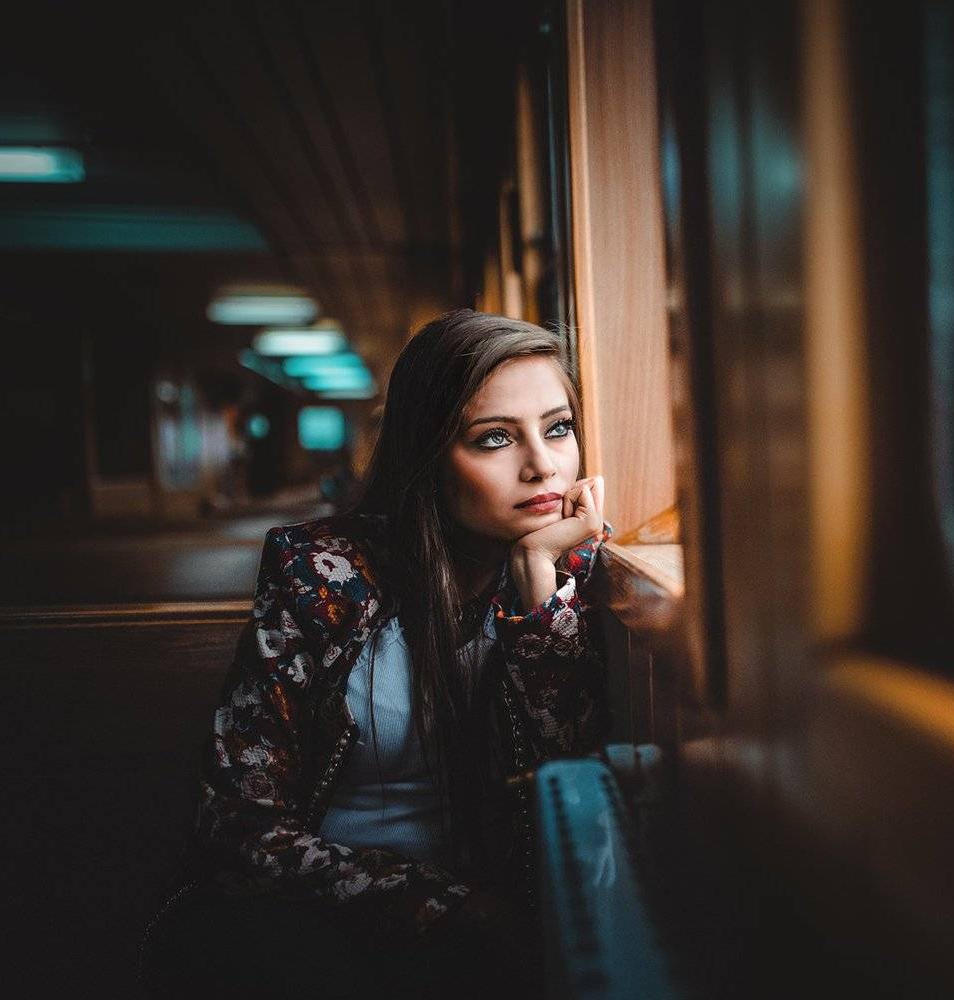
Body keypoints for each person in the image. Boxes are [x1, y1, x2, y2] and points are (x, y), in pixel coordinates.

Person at [142, 310, 613, 999]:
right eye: (494, 438)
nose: (542, 465)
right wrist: (450, 906)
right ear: (428, 453)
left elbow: (570, 792)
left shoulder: (578, 575)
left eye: (558, 427)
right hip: (326, 914)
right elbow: (236, 826)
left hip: (506, 924)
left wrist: (539, 592)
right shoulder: (321, 573)